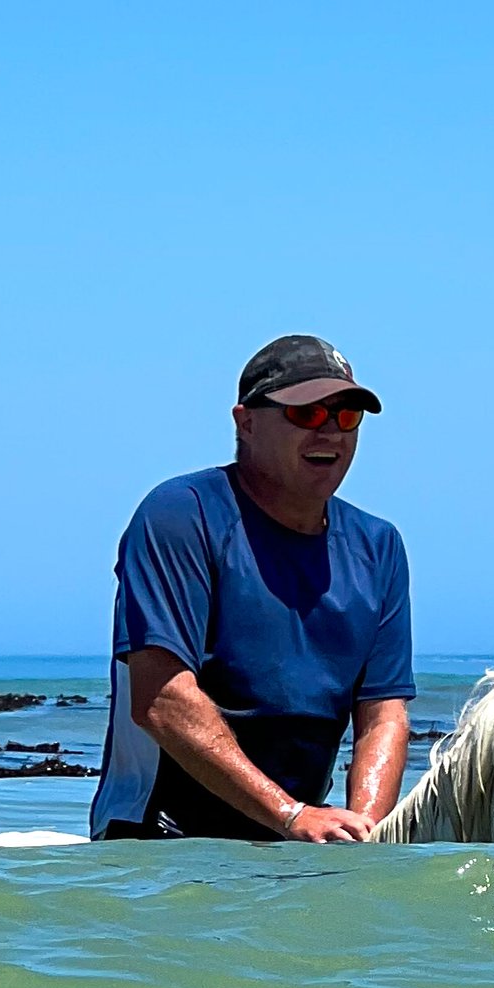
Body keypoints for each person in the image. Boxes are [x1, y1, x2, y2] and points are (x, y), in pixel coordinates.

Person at [90, 334, 414, 842]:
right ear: (245, 422)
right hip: (160, 840)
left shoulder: (379, 547)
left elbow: (384, 713)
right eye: (306, 414)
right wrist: (290, 816)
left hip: (291, 843)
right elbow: (161, 699)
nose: (329, 431)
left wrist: (364, 833)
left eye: (347, 415)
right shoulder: (181, 515)